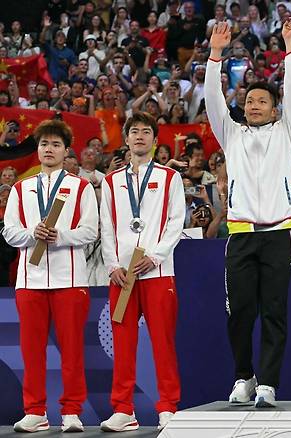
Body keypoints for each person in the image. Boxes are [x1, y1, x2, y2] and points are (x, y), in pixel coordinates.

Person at [205, 19, 291, 407]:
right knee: (240, 314)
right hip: (241, 235)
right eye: (249, 102)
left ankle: (269, 384)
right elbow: (214, 100)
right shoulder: (231, 134)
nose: (255, 105)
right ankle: (244, 376)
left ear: (274, 108)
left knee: (275, 313)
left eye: (262, 101)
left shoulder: (287, 132)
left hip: (279, 233)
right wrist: (215, 56)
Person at [2, 119, 98, 433]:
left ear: (66, 151)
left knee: (71, 350)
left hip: (69, 279)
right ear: (38, 148)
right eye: (44, 144)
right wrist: (33, 233)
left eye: (56, 144)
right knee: (32, 350)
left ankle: (71, 411)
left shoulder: (80, 187)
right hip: (29, 281)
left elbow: (90, 231)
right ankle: (35, 411)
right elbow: (9, 231)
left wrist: (60, 235)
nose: (49, 149)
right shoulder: (21, 188)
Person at [99, 112, 185, 432]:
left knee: (162, 342)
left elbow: (176, 222)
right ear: (126, 138)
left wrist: (157, 256)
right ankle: (124, 409)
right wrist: (112, 266)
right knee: (123, 344)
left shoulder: (168, 178)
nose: (139, 136)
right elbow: (106, 227)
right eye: (134, 131)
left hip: (157, 272)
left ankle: (167, 407)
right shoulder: (111, 182)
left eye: (146, 132)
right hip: (122, 275)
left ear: (154, 139)